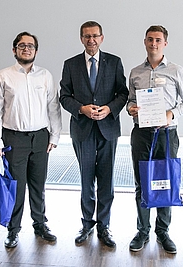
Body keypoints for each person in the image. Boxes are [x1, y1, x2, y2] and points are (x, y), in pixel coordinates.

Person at [0, 31, 62, 248]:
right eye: (22, 45)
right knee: (16, 187)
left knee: (38, 186)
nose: (26, 49)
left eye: (30, 46)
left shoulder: (45, 76)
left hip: (40, 138)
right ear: (14, 50)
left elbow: (53, 108)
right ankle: (13, 229)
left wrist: (55, 135)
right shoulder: (3, 76)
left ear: (36, 51)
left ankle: (40, 225)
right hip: (14, 138)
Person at [126, 25, 183, 253]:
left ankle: (162, 232)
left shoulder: (176, 71)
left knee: (165, 182)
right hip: (141, 135)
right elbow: (128, 100)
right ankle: (142, 231)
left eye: (158, 40)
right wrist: (131, 108)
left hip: (166, 135)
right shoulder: (136, 72)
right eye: (149, 39)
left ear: (165, 43)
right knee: (142, 183)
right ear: (144, 42)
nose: (153, 43)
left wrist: (170, 113)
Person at [59, 21, 129, 248]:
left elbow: (123, 93)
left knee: (106, 180)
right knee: (86, 179)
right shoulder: (70, 64)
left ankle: (104, 226)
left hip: (108, 128)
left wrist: (109, 108)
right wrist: (82, 109)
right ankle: (87, 223)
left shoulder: (114, 62)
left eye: (95, 36)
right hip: (82, 129)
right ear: (81, 39)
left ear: (102, 38)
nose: (91, 40)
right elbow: (65, 96)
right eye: (87, 36)